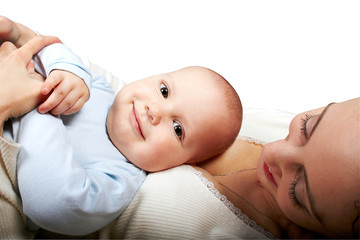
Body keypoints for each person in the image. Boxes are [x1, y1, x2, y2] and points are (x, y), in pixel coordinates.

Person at [0, 16, 242, 237]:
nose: (154, 111)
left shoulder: (119, 179)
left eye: (178, 129)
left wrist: (39, 99)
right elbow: (57, 53)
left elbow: (55, 204)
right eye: (164, 91)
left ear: (183, 163)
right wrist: (24, 38)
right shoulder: (98, 88)